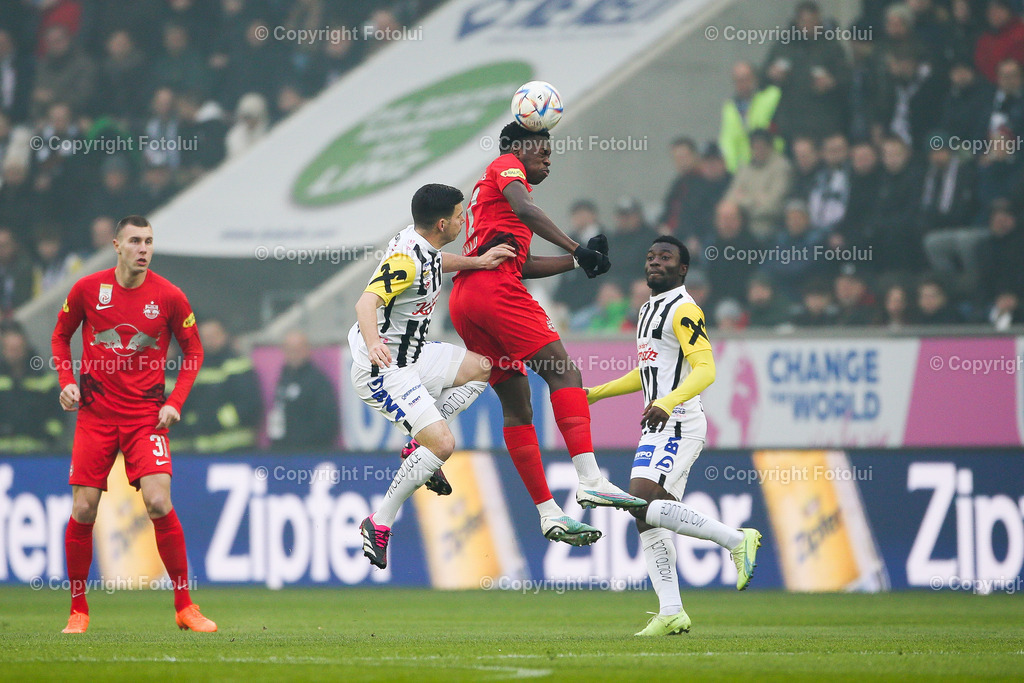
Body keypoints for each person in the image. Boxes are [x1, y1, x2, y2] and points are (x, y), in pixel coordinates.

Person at [448, 121, 646, 547]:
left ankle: (548, 513)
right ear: (518, 148)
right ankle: (591, 480)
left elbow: (521, 262)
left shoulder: (494, 199)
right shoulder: (506, 167)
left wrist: (577, 263)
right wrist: (577, 247)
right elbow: (527, 211)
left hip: (467, 298)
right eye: (542, 151)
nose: (548, 160)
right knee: (564, 373)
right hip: (495, 289)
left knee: (518, 405)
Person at [586, 236, 761, 637]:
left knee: (642, 500)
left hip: (679, 420)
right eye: (651, 257)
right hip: (658, 422)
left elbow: (706, 369)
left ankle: (736, 540)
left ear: (682, 269)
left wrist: (668, 401)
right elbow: (649, 372)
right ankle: (671, 612)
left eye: (665, 258)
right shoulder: (648, 309)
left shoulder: (684, 309)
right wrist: (597, 393)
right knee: (647, 517)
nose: (655, 263)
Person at [50, 215, 213, 634]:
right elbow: (60, 336)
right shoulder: (88, 289)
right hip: (96, 415)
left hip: (145, 417)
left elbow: (194, 351)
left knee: (158, 501)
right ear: (116, 246)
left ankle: (184, 606)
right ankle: (78, 610)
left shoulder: (169, 296)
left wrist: (175, 401)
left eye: (149, 242)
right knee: (84, 508)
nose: (144, 249)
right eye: (136, 241)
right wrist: (66, 382)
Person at [354, 184, 516, 568]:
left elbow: (436, 262)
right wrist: (374, 343)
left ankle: (418, 444)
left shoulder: (422, 246)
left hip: (415, 356)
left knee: (481, 368)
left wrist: (479, 262)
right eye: (460, 216)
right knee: (443, 445)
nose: (464, 221)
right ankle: (379, 521)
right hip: (384, 371)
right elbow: (366, 302)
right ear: (442, 223)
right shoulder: (406, 261)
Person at [267, 330, 339, 451]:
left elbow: (327, 420)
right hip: (282, 450)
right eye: (289, 349)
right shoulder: (283, 378)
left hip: (309, 451)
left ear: (307, 350)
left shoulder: (317, 381)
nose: (293, 354)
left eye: (297, 349)